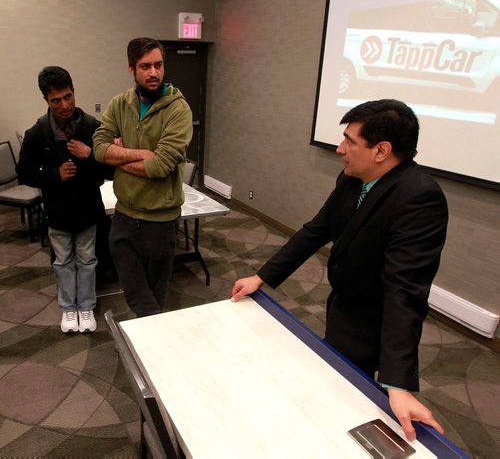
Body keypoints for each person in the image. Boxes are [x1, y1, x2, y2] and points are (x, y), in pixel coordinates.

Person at [231, 99, 448, 441]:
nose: (339, 149)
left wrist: (398, 382)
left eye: (350, 140)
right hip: (343, 304)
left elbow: (404, 291)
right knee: (334, 382)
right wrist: (262, 276)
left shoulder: (419, 198)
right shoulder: (353, 176)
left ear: (381, 150)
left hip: (376, 319)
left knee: (354, 403)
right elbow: (317, 229)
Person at [93, 37, 192, 318]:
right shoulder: (120, 104)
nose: (153, 73)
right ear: (131, 69)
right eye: (145, 66)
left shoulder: (178, 109)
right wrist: (139, 154)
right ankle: (148, 334)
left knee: (154, 292)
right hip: (125, 215)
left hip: (160, 221)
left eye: (158, 65)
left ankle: (147, 342)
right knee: (134, 287)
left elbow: (160, 166)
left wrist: (120, 155)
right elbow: (99, 149)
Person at [16, 66, 106, 334]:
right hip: (57, 211)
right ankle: (69, 308)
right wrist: (55, 175)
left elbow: (110, 169)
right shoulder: (38, 133)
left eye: (68, 97)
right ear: (46, 100)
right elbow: (24, 174)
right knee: (63, 261)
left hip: (88, 208)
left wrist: (90, 154)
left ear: (74, 92)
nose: (64, 105)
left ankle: (86, 305)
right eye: (56, 100)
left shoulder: (92, 127)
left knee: (88, 260)